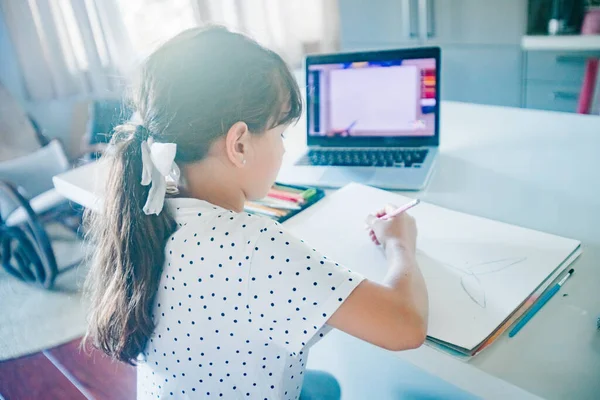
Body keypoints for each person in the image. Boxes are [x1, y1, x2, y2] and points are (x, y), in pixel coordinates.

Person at [83, 26, 428, 400]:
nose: (283, 150)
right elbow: (405, 326)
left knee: (322, 386)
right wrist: (400, 243)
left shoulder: (150, 209)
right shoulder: (253, 248)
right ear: (239, 143)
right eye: (280, 133)